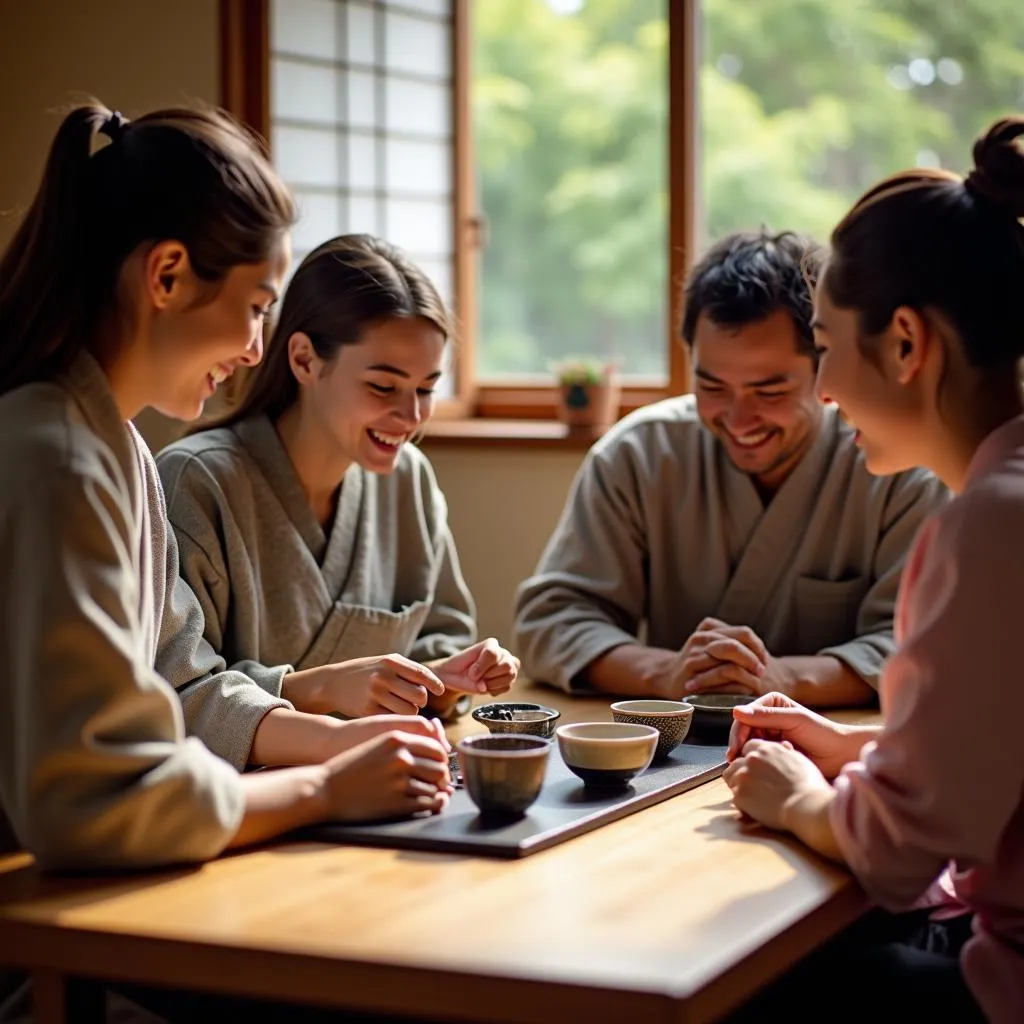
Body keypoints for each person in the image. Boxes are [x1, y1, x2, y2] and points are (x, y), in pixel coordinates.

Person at [0, 103, 453, 882]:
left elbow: (180, 677)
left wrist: (333, 740)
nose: (254, 349)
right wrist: (322, 787)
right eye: (253, 309)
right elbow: (91, 801)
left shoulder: (120, 448)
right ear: (167, 274)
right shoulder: (62, 458)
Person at [723, 117, 1024, 1023]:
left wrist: (802, 799)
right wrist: (863, 751)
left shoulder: (992, 524)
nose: (820, 389)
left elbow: (896, 858)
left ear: (904, 343)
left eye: (825, 344)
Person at [513, 230, 948, 707]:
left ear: (826, 368)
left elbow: (925, 643)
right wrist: (664, 673)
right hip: (674, 747)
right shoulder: (640, 455)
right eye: (713, 387)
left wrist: (786, 679)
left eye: (770, 391)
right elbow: (552, 620)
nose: (738, 420)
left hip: (837, 748)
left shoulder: (897, 468)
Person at [156, 234, 519, 726]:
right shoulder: (197, 482)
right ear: (305, 359)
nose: (410, 415)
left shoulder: (408, 479)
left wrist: (448, 675)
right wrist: (326, 689)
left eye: (427, 389)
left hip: (390, 773)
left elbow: (441, 636)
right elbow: (176, 690)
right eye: (383, 386)